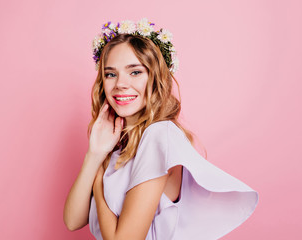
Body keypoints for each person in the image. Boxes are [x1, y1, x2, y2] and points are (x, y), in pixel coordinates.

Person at [63, 18, 259, 240]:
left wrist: (98, 181)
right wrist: (94, 154)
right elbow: (72, 221)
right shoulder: (117, 145)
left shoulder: (159, 136)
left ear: (155, 77)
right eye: (111, 74)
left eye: (135, 72)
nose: (120, 84)